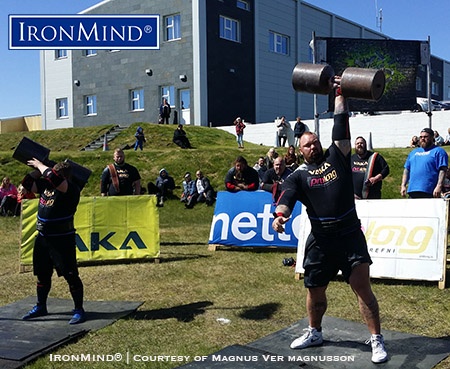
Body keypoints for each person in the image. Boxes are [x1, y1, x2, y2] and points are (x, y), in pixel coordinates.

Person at [272, 78, 388, 364]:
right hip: (321, 240)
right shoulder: (297, 175)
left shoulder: (338, 157)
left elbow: (341, 124)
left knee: (362, 288)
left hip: (349, 234)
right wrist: (280, 216)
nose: (312, 147)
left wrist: (339, 94)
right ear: (300, 151)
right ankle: (315, 331)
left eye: (314, 142)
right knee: (315, 292)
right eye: (307, 145)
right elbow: (286, 197)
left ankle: (376, 339)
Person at [21, 159, 86, 324]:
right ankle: (41, 306)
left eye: (54, 175)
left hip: (62, 240)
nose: (50, 178)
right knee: (42, 275)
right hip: (43, 238)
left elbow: (54, 178)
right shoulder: (47, 186)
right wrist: (36, 170)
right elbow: (27, 183)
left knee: (70, 275)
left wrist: (42, 166)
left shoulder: (71, 189)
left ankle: (79, 309)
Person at [401, 127, 448, 198]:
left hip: (430, 190)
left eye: (426, 137)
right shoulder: (413, 152)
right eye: (421, 137)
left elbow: (443, 170)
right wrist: (403, 185)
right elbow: (407, 169)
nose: (423, 139)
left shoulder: (438, 151)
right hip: (413, 190)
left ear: (432, 137)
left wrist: (439, 186)